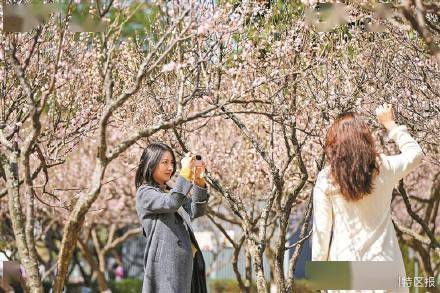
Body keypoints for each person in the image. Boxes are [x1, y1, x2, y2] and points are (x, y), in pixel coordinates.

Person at [312, 104, 423, 292]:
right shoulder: (384, 168)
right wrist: (391, 125)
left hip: (343, 269)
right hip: (384, 264)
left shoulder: (326, 179)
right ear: (366, 140)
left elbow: (321, 236)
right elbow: (415, 155)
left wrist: (320, 280)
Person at [135, 142, 209, 293]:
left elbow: (196, 211)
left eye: (172, 163)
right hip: (166, 265)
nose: (170, 168)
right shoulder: (145, 192)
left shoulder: (170, 190)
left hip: (188, 264)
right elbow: (172, 203)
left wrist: (199, 182)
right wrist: (185, 174)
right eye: (164, 162)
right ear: (151, 163)